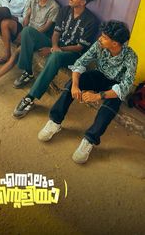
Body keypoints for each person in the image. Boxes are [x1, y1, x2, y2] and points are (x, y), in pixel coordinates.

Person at [38, 21, 138, 164]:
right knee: (74, 81)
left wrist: (98, 96)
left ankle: (89, 140)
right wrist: (75, 86)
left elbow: (125, 87)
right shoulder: (99, 46)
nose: (99, 39)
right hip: (98, 75)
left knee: (112, 104)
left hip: (115, 85)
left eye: (104, 37)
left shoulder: (130, 56)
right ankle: (55, 121)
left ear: (115, 43)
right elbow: (80, 63)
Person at [13, 0, 99, 118]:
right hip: (57, 45)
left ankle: (30, 98)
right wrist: (54, 46)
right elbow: (56, 33)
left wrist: (56, 50)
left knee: (55, 57)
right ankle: (28, 71)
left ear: (83, 2)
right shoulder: (65, 10)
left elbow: (80, 47)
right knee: (28, 31)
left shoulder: (91, 21)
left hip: (73, 54)